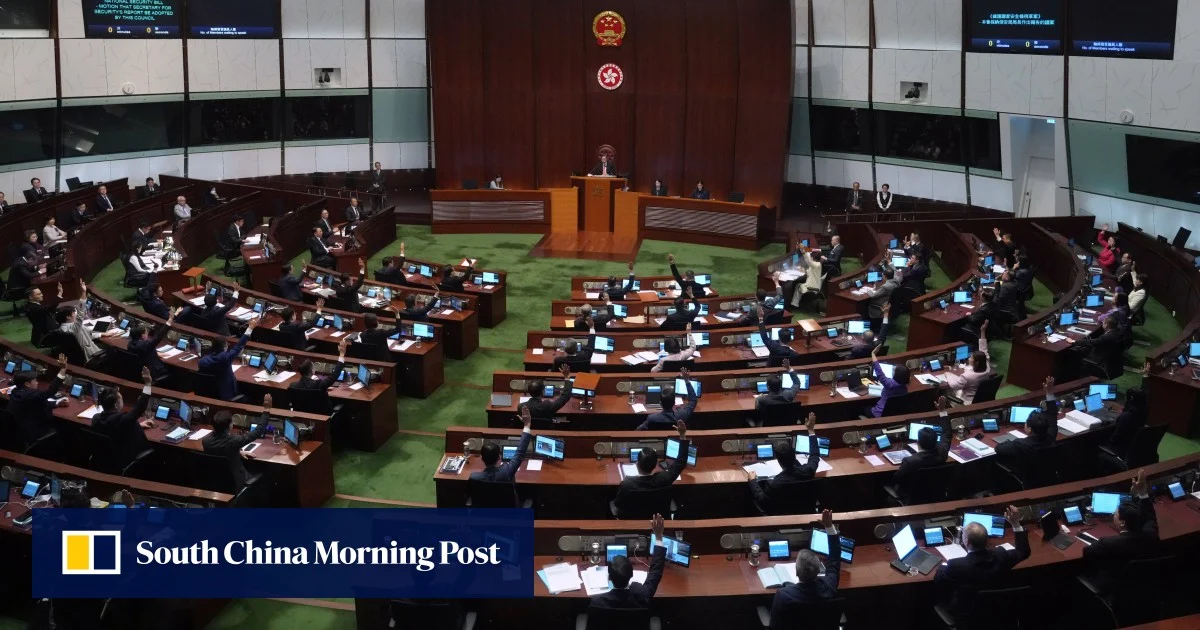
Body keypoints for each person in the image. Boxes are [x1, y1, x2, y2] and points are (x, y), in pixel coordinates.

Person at [933, 505, 1030, 623]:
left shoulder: (956, 565)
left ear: (966, 541)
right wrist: (1015, 523)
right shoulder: (1001, 555)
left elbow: (939, 582)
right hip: (1000, 613)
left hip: (967, 616)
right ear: (987, 540)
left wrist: (943, 566)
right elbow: (1023, 551)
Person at [1081, 469, 1159, 598]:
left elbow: (1087, 553)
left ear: (1122, 523)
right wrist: (1142, 492)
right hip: (1144, 588)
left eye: (1116, 514)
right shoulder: (1151, 534)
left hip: (1113, 589)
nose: (1113, 515)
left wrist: (1096, 543)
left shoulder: (1107, 543)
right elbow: (1150, 517)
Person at [766, 509, 841, 628]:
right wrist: (829, 526)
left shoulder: (783, 595)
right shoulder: (829, 587)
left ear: (796, 572)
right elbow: (835, 559)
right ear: (818, 571)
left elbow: (775, 626)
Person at [589, 514, 669, 611]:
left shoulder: (597, 601)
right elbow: (656, 572)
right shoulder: (643, 595)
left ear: (609, 577)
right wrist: (659, 537)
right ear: (632, 575)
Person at [747, 412, 819, 508]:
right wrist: (811, 430)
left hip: (780, 514)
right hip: (805, 510)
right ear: (795, 456)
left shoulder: (774, 484)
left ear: (779, 461)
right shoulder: (808, 471)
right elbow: (815, 455)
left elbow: (761, 500)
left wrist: (752, 481)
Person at [202, 394, 273, 490]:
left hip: (215, 480)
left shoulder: (205, 441)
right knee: (266, 471)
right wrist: (266, 410)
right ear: (229, 426)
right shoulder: (233, 441)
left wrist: (238, 452)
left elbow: (221, 451)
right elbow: (257, 432)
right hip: (237, 482)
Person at [92, 367, 157, 470]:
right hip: (126, 460)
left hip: (105, 460)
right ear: (116, 405)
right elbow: (139, 408)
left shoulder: (96, 419)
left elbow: (116, 430)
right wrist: (148, 383)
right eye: (121, 399)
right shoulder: (121, 420)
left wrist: (137, 425)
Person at [615, 421, 690, 509]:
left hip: (634, 516)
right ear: (655, 465)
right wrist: (682, 435)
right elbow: (681, 461)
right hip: (658, 515)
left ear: (637, 464)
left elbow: (618, 504)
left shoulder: (627, 484)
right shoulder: (664, 478)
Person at [893, 398, 953, 502]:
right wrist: (942, 410)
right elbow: (947, 433)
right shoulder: (942, 452)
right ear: (936, 441)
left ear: (918, 442)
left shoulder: (909, 461)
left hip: (912, 499)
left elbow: (896, 479)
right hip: (936, 496)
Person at [9, 354, 68, 446]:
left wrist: (57, 403)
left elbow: (37, 403)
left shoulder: (15, 392)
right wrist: (63, 369)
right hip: (32, 433)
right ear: (27, 384)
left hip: (16, 432)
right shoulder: (31, 395)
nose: (37, 382)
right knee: (64, 430)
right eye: (35, 380)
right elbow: (50, 391)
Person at [471, 407, 533, 492]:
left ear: (482, 458)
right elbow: (520, 452)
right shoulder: (507, 472)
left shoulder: (474, 477)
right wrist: (527, 424)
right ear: (499, 457)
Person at [198, 315, 258, 400]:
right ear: (224, 347)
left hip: (210, 393)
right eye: (227, 344)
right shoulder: (225, 358)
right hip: (227, 395)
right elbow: (239, 346)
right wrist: (250, 328)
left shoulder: (202, 362)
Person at [944, 322, 992, 404]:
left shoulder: (967, 376)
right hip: (979, 399)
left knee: (946, 390)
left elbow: (954, 385)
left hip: (966, 402)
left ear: (976, 362)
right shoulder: (987, 367)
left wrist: (947, 374)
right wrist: (983, 331)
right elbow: (984, 350)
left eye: (971, 357)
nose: (969, 358)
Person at [128, 308, 177, 383]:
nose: (147, 334)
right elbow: (158, 337)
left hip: (140, 372)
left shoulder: (130, 344)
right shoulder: (145, 345)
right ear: (142, 335)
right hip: (155, 373)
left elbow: (144, 352)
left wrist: (155, 353)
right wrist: (170, 320)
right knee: (176, 371)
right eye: (146, 332)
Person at [55, 296, 102, 363]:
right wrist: (83, 295)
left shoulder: (61, 328)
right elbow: (80, 315)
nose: (76, 314)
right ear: (68, 317)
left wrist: (101, 334)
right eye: (74, 312)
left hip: (78, 356)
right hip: (91, 355)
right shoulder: (74, 327)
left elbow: (86, 334)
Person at [869, 343, 910, 417]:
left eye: (894, 370)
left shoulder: (889, 384)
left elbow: (879, 371)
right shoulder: (905, 388)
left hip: (878, 414)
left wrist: (873, 354)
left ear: (896, 375)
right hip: (893, 414)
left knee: (861, 408)